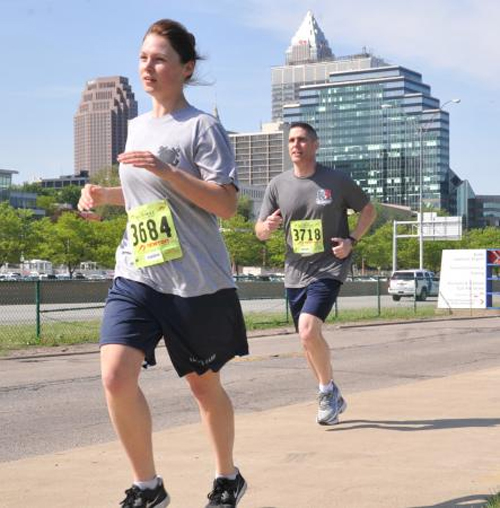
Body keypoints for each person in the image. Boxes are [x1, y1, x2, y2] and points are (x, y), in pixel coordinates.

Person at [78, 19, 248, 508]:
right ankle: (148, 486)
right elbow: (141, 196)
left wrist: (168, 169)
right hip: (137, 272)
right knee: (114, 375)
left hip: (193, 282)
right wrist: (102, 196)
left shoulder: (202, 127)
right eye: (142, 58)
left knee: (203, 386)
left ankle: (226, 475)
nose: (147, 67)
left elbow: (226, 204)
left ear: (185, 68)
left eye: (158, 59)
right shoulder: (135, 126)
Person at [255, 122, 376, 426]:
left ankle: (325, 393)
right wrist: (266, 228)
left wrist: (352, 241)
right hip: (295, 271)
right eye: (292, 140)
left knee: (309, 330)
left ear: (315, 145)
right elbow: (259, 231)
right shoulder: (277, 185)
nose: (296, 145)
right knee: (307, 339)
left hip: (329, 267)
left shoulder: (336, 180)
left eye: (303, 140)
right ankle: (332, 391)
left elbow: (368, 211)